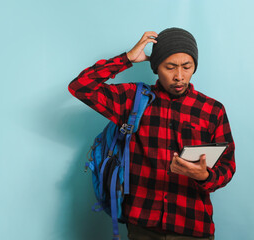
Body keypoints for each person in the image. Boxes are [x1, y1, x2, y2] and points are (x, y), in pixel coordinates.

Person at [68, 27, 236, 240]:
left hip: (192, 226)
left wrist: (205, 176)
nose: (179, 76)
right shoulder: (133, 100)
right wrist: (127, 59)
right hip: (142, 227)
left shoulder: (212, 110)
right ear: (156, 67)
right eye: (170, 67)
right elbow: (80, 87)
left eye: (187, 66)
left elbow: (228, 166)